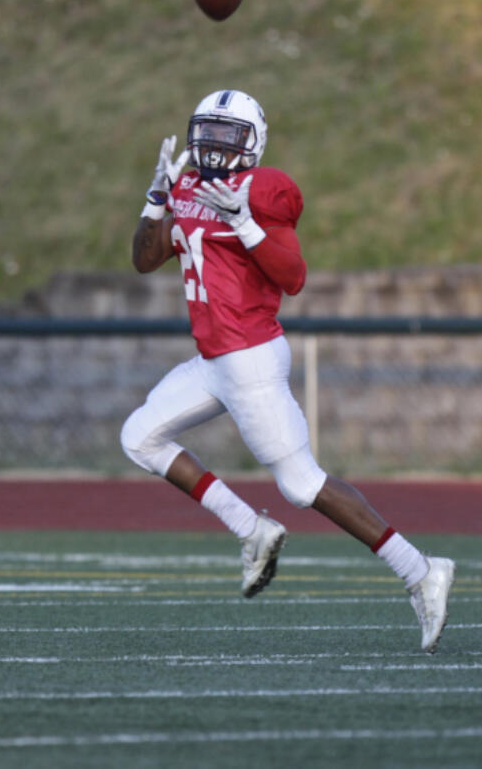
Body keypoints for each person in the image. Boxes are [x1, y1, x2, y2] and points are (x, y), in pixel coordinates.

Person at [120, 89, 454, 653]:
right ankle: (253, 529)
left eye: (228, 134)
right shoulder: (186, 186)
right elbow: (144, 259)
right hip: (213, 359)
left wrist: (247, 224)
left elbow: (292, 276)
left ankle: (420, 569)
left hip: (249, 356)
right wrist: (156, 200)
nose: (213, 144)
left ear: (253, 142)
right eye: (207, 131)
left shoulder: (263, 190)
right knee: (140, 437)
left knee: (303, 484)